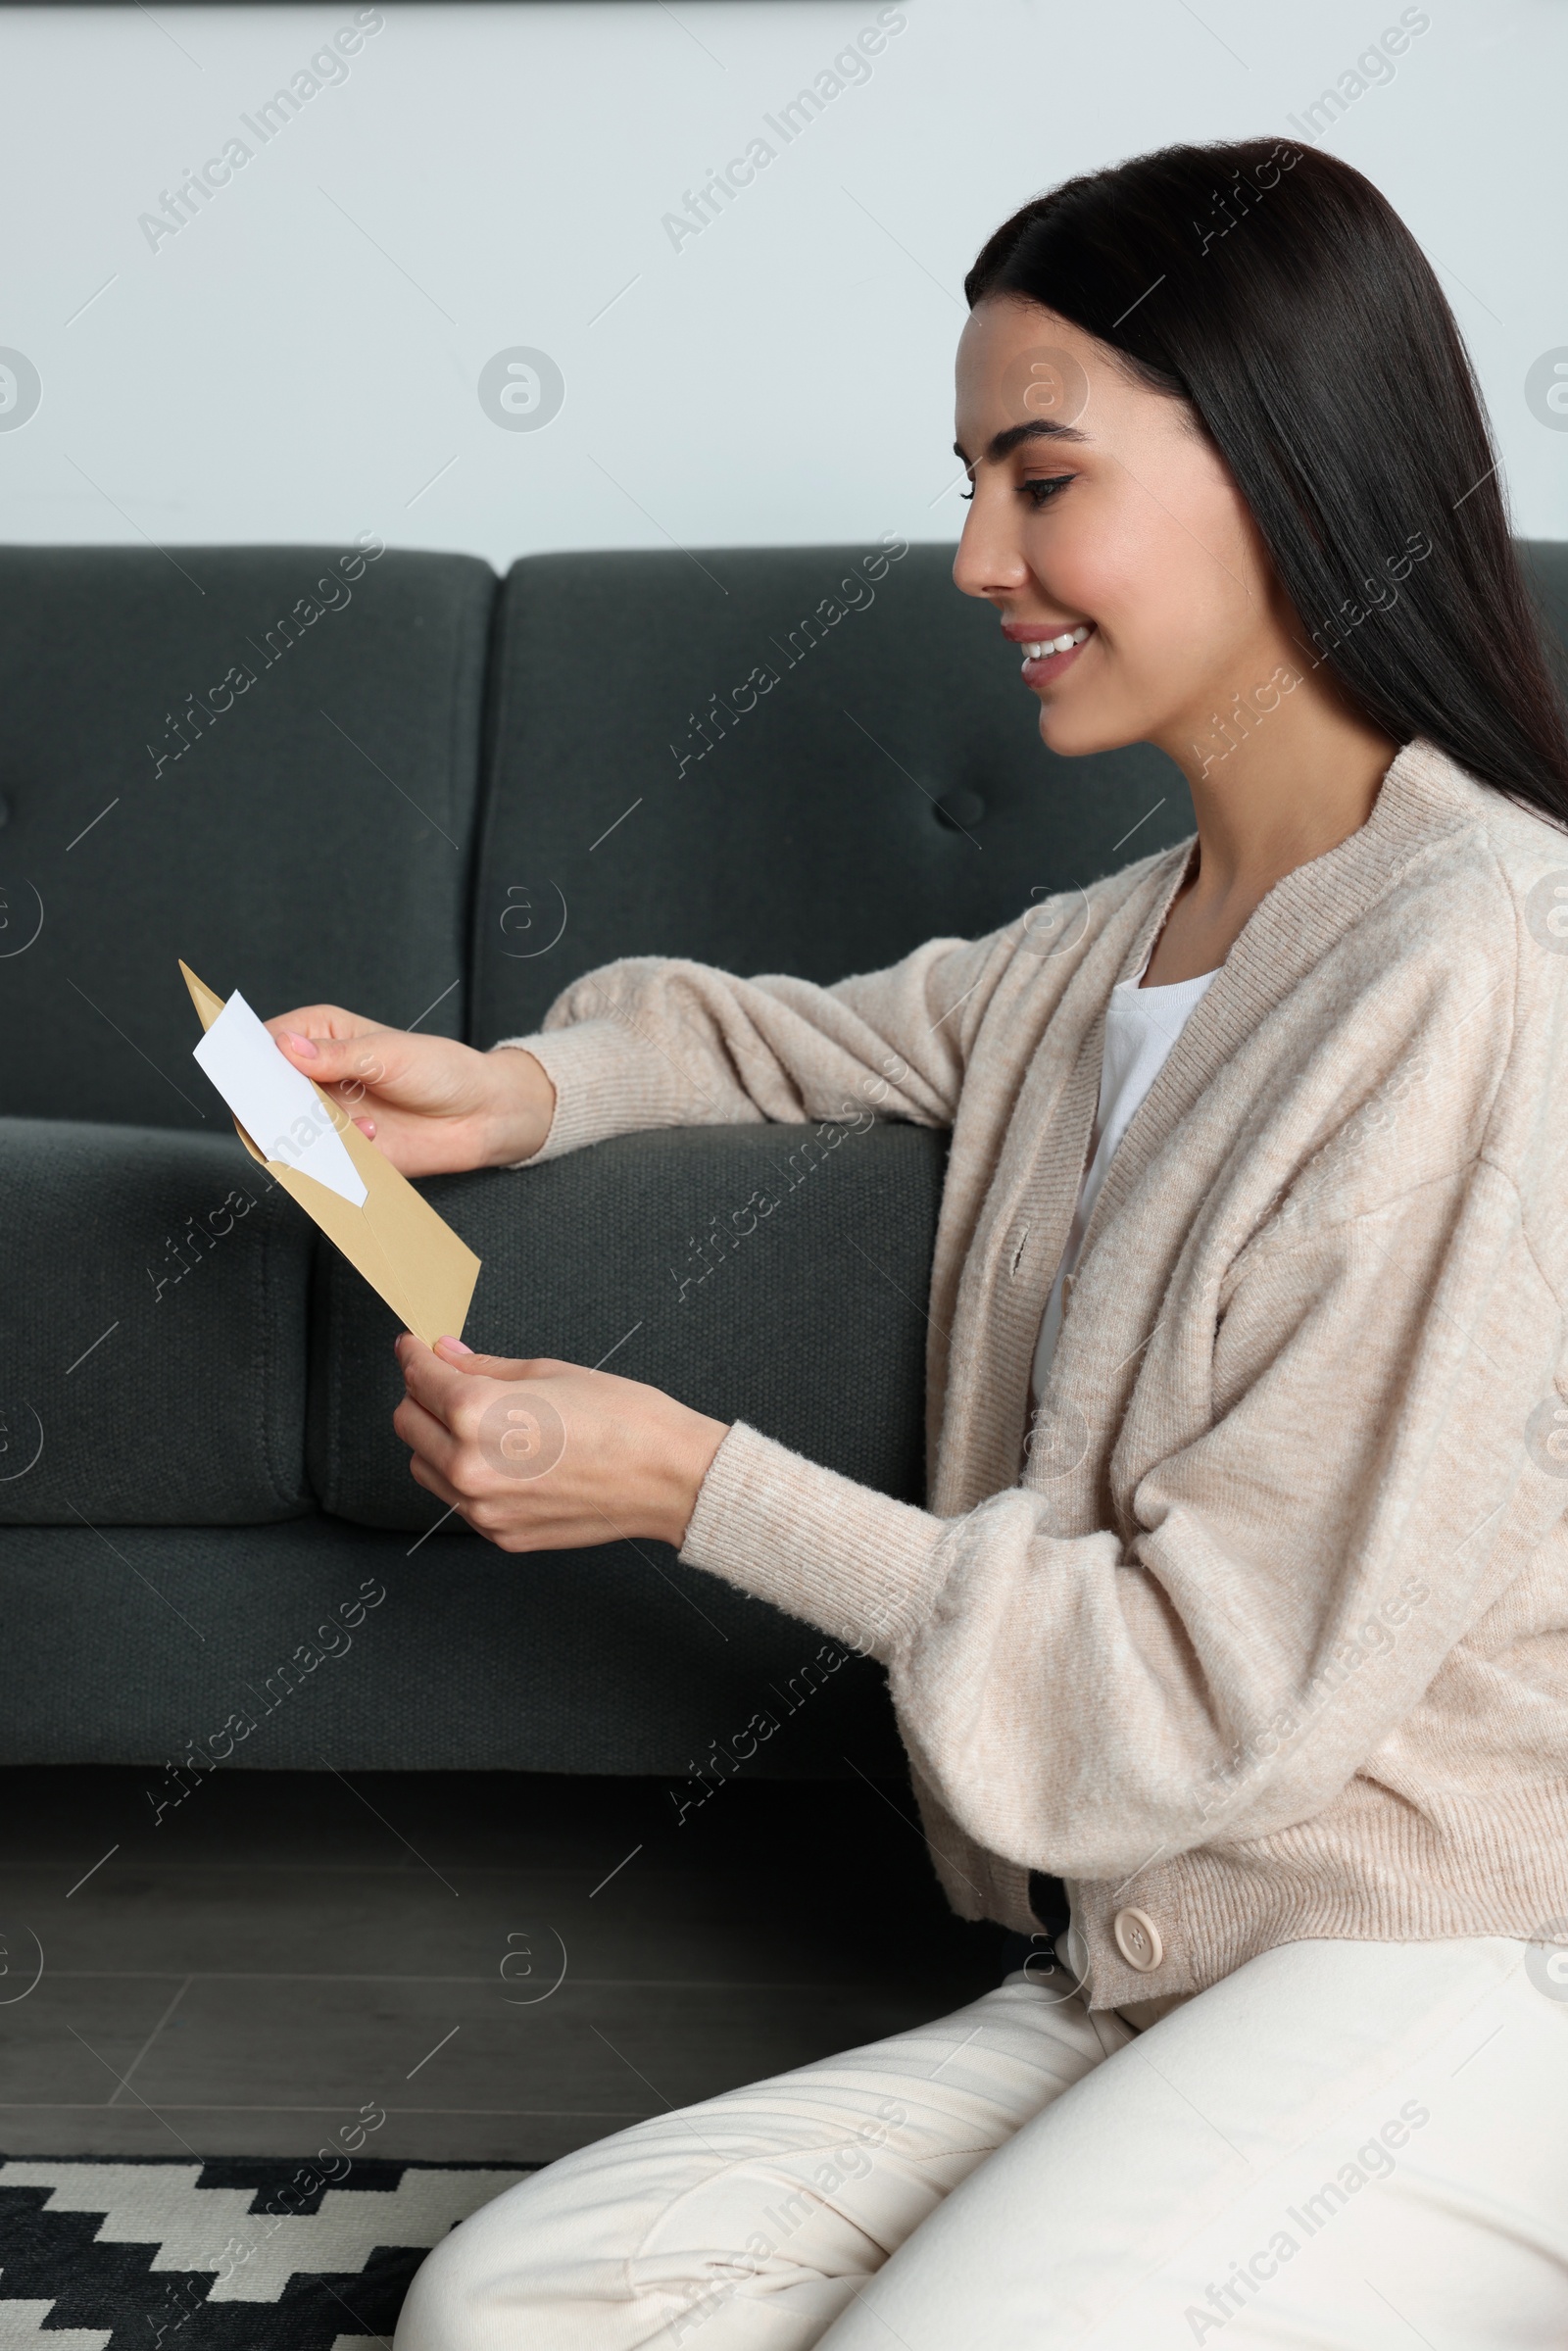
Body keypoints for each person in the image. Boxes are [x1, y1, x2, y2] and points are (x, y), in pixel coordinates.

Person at [270, 139, 1568, 2346]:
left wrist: (694, 1487)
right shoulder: (1112, 950)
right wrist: (515, 1088)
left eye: (1035, 477)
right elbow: (819, 1041)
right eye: (970, 477)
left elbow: (1199, 1691)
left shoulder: (1471, 968)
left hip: (1439, 1966)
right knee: (515, 2310)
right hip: (1145, 1965)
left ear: (1273, 463)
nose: (974, 554)